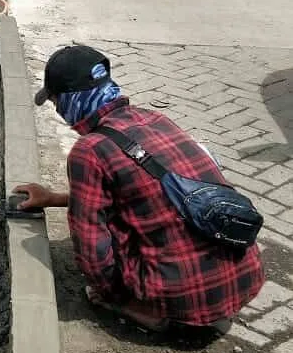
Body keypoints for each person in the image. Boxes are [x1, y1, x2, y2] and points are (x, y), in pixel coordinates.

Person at [15, 46, 264, 332]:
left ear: (70, 100)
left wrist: (109, 293)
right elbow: (151, 194)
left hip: (186, 298)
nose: (59, 112)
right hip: (244, 280)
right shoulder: (155, 119)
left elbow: (91, 248)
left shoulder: (90, 151)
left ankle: (147, 312)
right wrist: (52, 198)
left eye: (57, 102)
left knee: (105, 239)